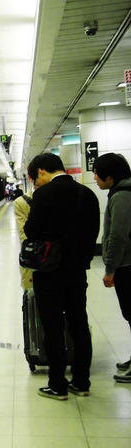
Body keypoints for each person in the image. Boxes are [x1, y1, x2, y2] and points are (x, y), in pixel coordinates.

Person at [23, 152, 100, 399]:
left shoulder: (43, 195)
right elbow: (93, 232)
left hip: (49, 271)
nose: (36, 183)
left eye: (35, 179)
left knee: (53, 327)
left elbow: (31, 230)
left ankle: (57, 384)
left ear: (41, 171)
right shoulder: (87, 194)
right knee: (79, 324)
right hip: (77, 270)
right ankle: (81, 381)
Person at [92, 152, 131, 382]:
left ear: (110, 176)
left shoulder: (122, 196)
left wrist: (109, 269)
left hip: (126, 265)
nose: (94, 178)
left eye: (97, 174)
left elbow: (118, 236)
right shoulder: (121, 193)